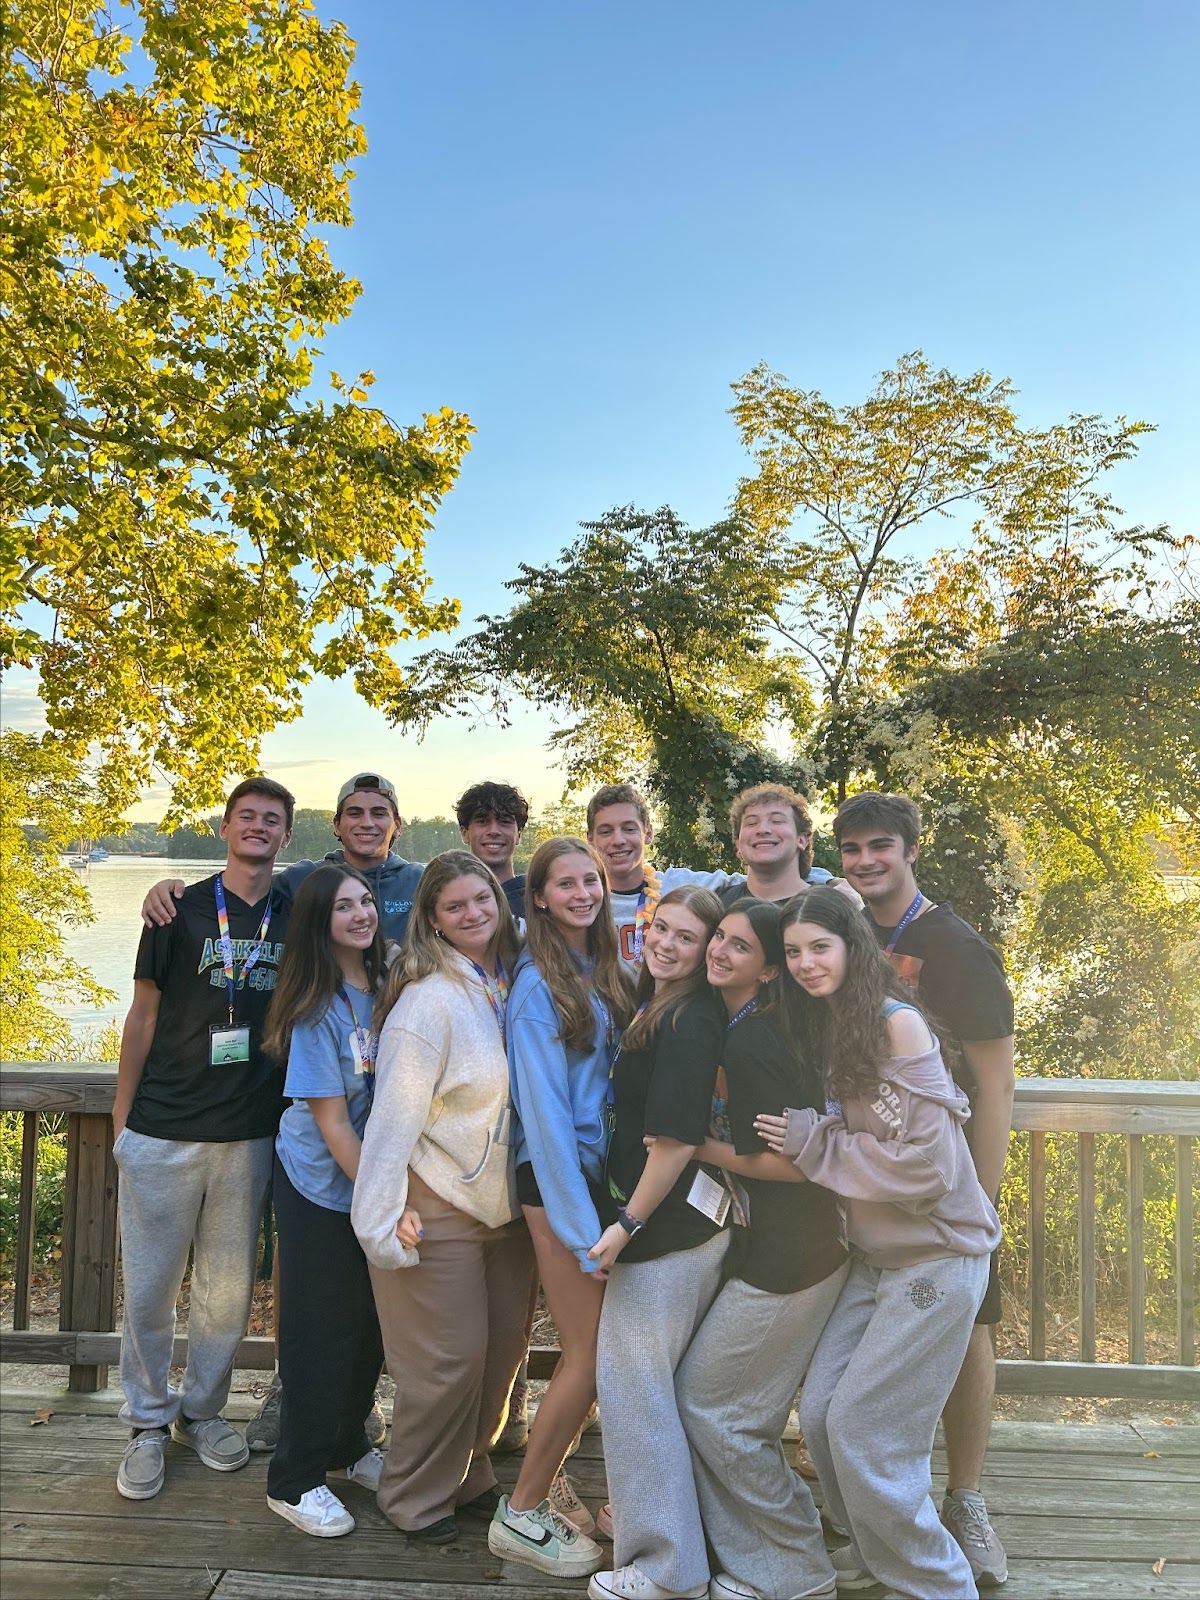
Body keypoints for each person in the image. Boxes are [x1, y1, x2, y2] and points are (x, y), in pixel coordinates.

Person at [139, 771, 418, 1452]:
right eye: (352, 811)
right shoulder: (284, 890)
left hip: (285, 1120)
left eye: (379, 812)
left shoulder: (415, 884)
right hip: (243, 1119)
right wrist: (165, 886)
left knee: (238, 1286)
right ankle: (172, 1418)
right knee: (194, 1285)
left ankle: (333, 1419)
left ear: (396, 823)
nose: (365, 821)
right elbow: (149, 1005)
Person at [757, 887, 1001, 1600]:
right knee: (827, 1417)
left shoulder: (897, 1026)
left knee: (867, 1432)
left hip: (938, 1254)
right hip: (876, 1258)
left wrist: (814, 1142)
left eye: (819, 948)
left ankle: (937, 1584)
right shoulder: (837, 1022)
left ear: (853, 947)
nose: (805, 963)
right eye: (794, 952)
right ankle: (872, 1553)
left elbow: (925, 1167)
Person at [834, 792, 1015, 1588]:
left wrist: (979, 1197)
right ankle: (888, 1518)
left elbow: (997, 1083)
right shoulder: (844, 934)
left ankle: (965, 1500)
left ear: (911, 850)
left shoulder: (955, 948)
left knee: (971, 1325)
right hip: (873, 1189)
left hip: (953, 1189)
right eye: (852, 849)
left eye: (881, 846)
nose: (867, 861)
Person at [111, 777, 294, 1502]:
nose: (258, 828)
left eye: (271, 820)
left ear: (285, 835)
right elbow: (142, 1015)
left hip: (250, 1133)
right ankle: (147, 1421)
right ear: (225, 828)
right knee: (151, 1288)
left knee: (225, 1293)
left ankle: (202, 1412)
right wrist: (123, 1122)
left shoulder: (297, 910)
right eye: (246, 816)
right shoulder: (176, 909)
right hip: (163, 1128)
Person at [352, 851, 536, 1543]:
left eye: (482, 900)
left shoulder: (510, 980)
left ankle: (470, 1477)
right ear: (431, 918)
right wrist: (378, 1217)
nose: (473, 914)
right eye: (454, 906)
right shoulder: (427, 1003)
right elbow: (393, 1118)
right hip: (440, 1204)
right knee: (446, 1363)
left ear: (499, 898)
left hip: (509, 1207)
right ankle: (413, 1498)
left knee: (499, 1358)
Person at [676, 898, 848, 1600]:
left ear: (771, 969)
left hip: (792, 1252)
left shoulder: (753, 1039)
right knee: (735, 1410)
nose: (717, 950)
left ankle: (795, 1570)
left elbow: (797, 1162)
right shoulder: (765, 1023)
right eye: (717, 937)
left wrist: (698, 1145)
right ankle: (763, 1555)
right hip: (797, 1244)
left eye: (739, 947)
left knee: (713, 1406)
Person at [488, 837, 635, 1578]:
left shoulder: (603, 970)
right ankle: (521, 1510)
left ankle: (560, 1490)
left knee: (599, 1355)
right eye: (565, 884)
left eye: (592, 881)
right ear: (537, 898)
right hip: (556, 1187)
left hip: (597, 1185)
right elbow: (543, 1121)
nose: (582, 893)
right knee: (588, 1355)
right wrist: (585, 1232)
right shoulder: (537, 988)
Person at [584, 885, 730, 1600]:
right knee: (653, 1393)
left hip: (666, 1233)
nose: (667, 944)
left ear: (711, 952)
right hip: (673, 1228)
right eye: (660, 928)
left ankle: (666, 1571)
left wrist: (625, 1227)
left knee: (633, 1393)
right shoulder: (657, 1002)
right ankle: (669, 1539)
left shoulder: (690, 1021)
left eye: (686, 937)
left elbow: (673, 1144)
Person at [261, 865, 389, 1537]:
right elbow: (334, 1122)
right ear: (319, 922)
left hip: (368, 1185)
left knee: (368, 1326)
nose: (361, 913)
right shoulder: (316, 1004)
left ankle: (349, 1447)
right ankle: (295, 1478)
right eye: (343, 907)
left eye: (365, 900)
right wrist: (382, 1199)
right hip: (320, 1186)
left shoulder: (388, 985)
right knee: (322, 1330)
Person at [585, 783, 739, 967]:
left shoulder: (680, 885)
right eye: (606, 831)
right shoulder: (584, 902)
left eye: (629, 829)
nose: (618, 840)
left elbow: (757, 885)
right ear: (590, 839)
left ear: (648, 833)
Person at [717, 784, 833, 909]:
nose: (762, 829)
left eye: (777, 821)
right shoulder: (716, 908)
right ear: (738, 843)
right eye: (751, 823)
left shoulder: (830, 907)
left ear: (802, 840)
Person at [456, 779, 530, 922]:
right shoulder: (448, 900)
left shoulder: (540, 902)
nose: (494, 831)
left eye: (505, 821)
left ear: (519, 834)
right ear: (464, 833)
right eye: (482, 821)